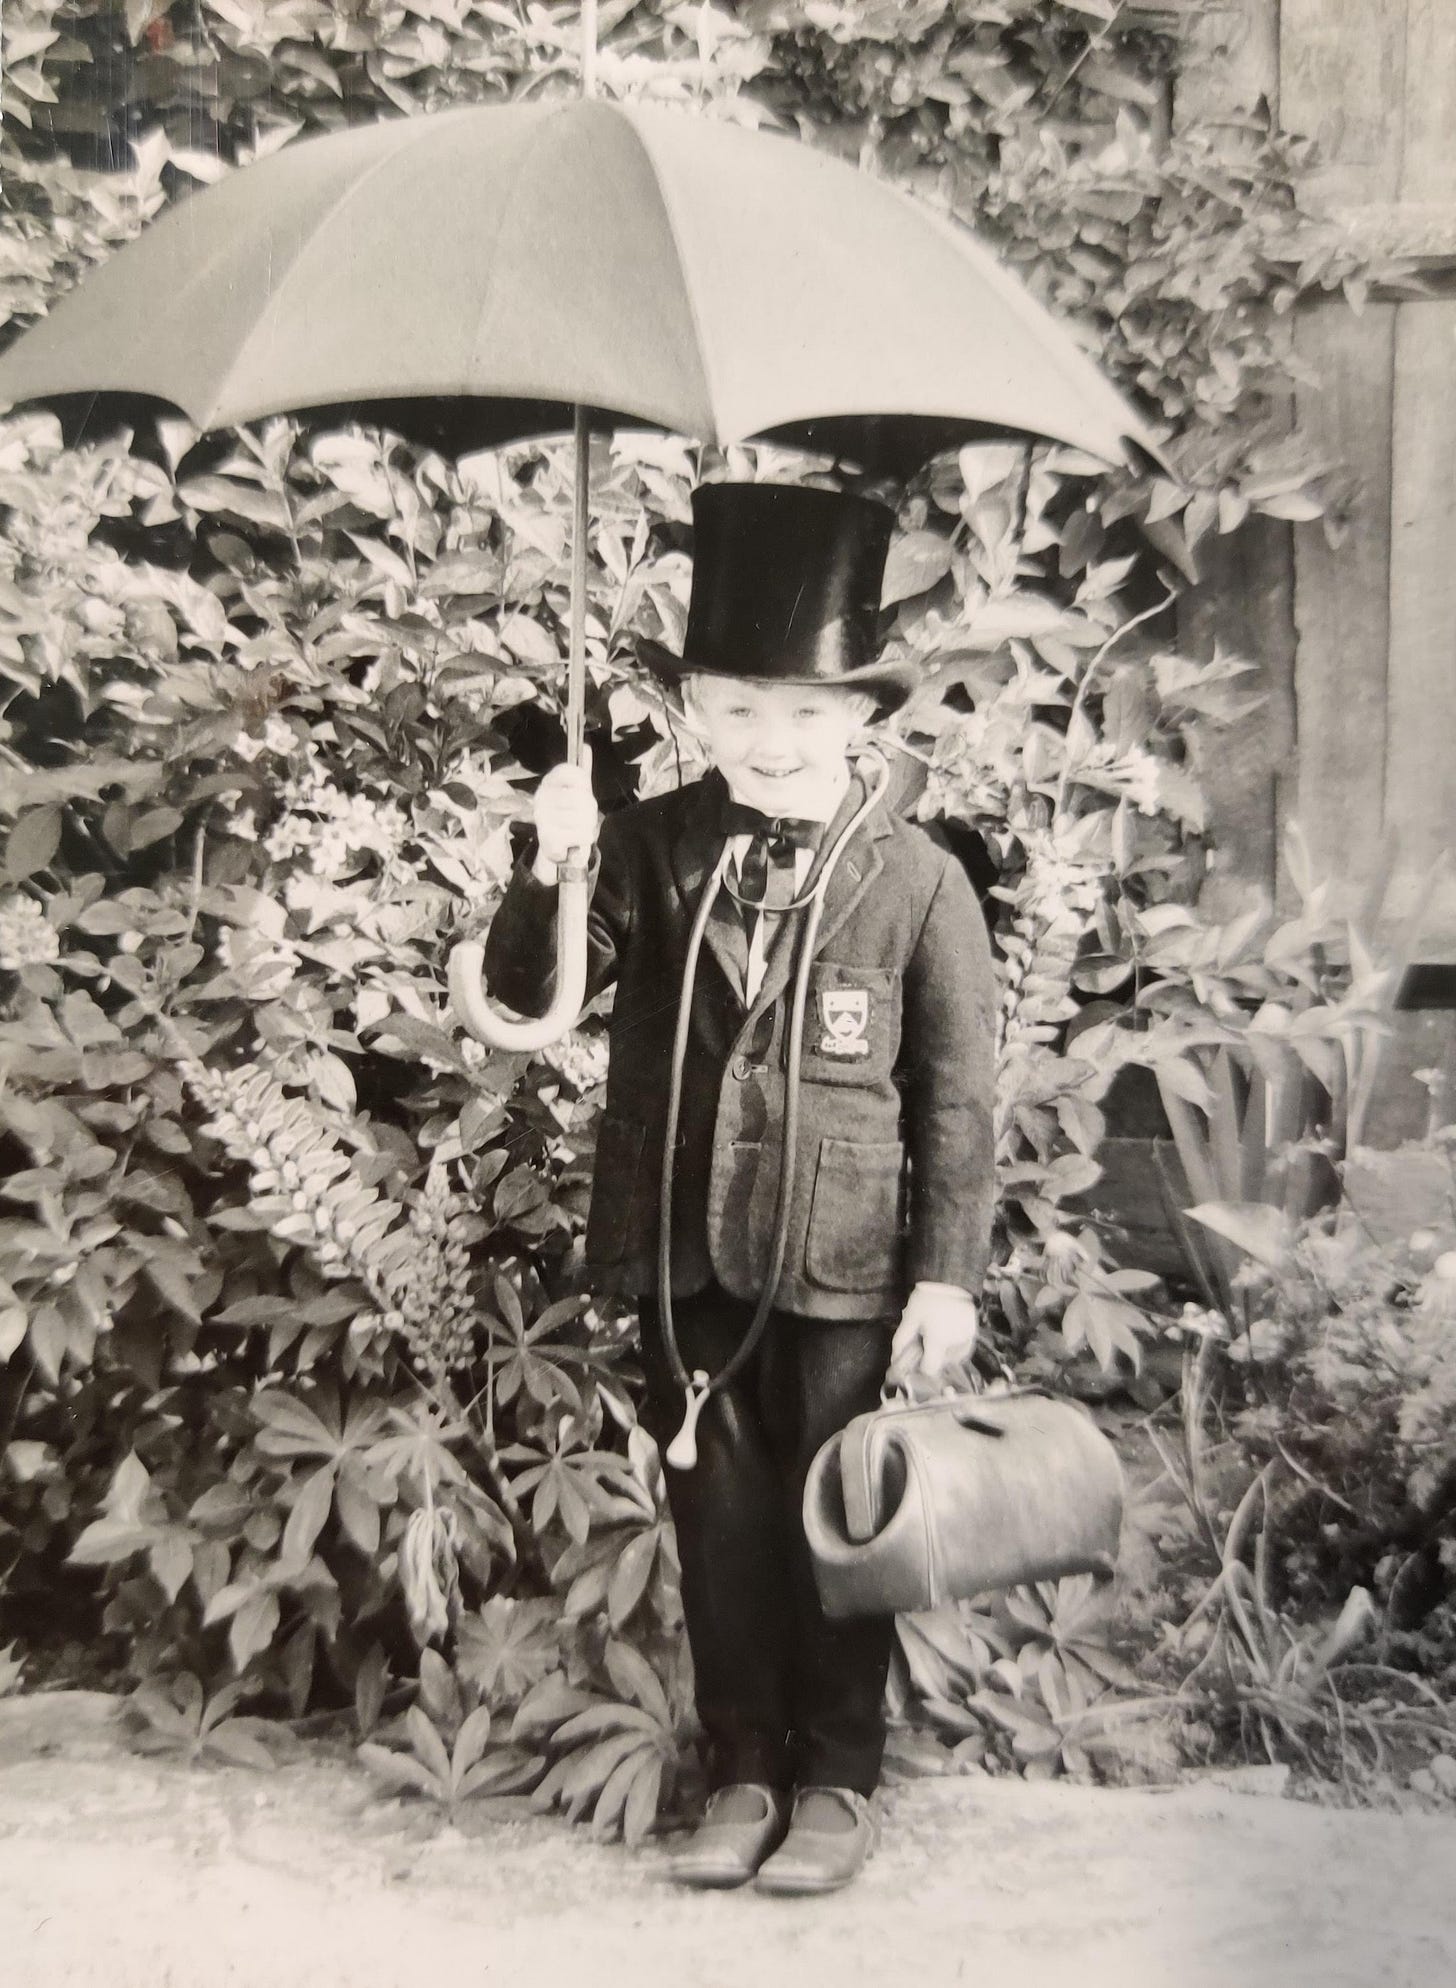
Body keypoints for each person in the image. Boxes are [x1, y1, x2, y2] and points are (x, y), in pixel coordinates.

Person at [483, 481, 996, 1895]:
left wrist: (943, 1273)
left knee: (843, 1515)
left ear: (861, 722)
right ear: (698, 712)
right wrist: (552, 866)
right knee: (717, 1521)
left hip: (841, 1268)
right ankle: (743, 1766)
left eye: (807, 715)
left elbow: (955, 1095)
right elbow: (532, 1003)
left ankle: (837, 1775)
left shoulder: (920, 882)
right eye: (743, 711)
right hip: (684, 1257)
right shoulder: (646, 847)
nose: (774, 744)